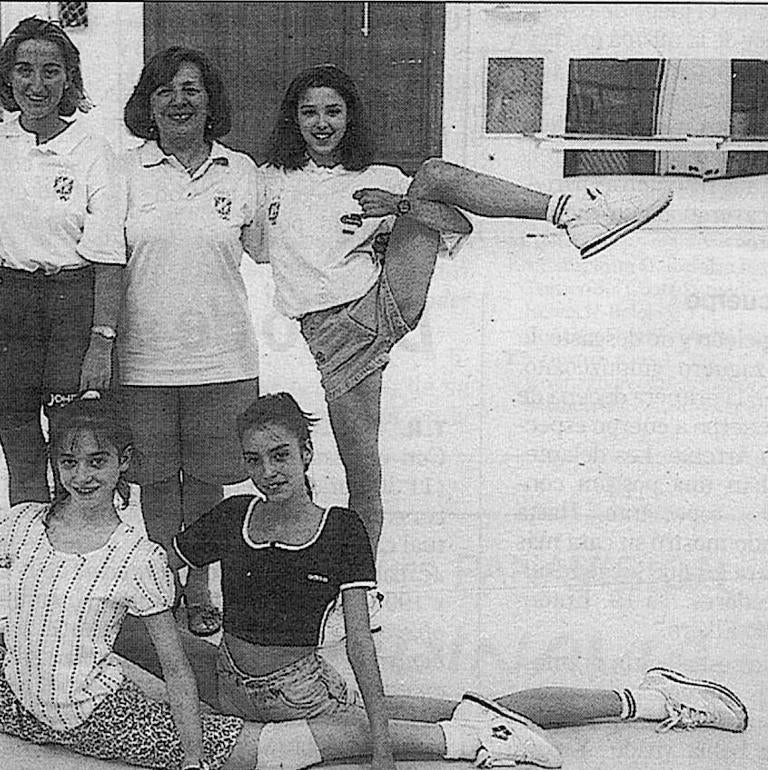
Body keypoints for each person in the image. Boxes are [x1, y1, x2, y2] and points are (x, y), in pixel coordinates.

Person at [0, 396, 641, 770]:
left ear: (117, 470)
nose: (81, 473)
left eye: (97, 462)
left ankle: (465, 737)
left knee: (276, 749)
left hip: (95, 715)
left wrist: (197, 747)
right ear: (56, 466)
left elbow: (170, 652)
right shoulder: (23, 526)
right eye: (68, 460)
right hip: (8, 680)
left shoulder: (137, 553)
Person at [112, 393, 747, 770]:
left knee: (482, 713)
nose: (268, 471)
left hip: (312, 700)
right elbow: (153, 571)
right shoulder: (231, 516)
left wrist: (380, 742)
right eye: (254, 460)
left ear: (307, 454)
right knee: (114, 626)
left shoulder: (340, 530)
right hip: (231, 686)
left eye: (281, 455)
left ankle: (650, 698)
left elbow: (359, 641)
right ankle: (643, 698)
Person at [255, 64, 674, 563]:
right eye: (309, 112)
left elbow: (456, 225)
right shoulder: (268, 183)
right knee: (362, 476)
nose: (322, 123)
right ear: (293, 120)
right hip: (333, 338)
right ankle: (355, 588)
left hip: (382, 305)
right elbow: (253, 245)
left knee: (431, 175)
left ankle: (570, 211)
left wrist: (398, 206)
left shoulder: (378, 178)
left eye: (333, 111)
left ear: (351, 118)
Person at [116, 46, 262, 637]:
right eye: (165, 91)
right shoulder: (123, 170)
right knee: (153, 478)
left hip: (223, 355)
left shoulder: (243, 170)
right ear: (148, 105)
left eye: (191, 89)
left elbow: (281, 246)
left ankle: (200, 585)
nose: (179, 101)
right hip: (142, 357)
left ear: (210, 101)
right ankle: (158, 588)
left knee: (207, 478)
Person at [0, 18, 125, 507]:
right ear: (6, 78)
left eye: (51, 71)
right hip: (5, 307)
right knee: (22, 454)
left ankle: (82, 556)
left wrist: (101, 340)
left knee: (78, 449)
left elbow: (110, 256)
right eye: (25, 70)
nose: (37, 84)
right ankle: (32, 560)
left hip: (71, 304)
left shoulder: (94, 150)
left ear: (69, 79)